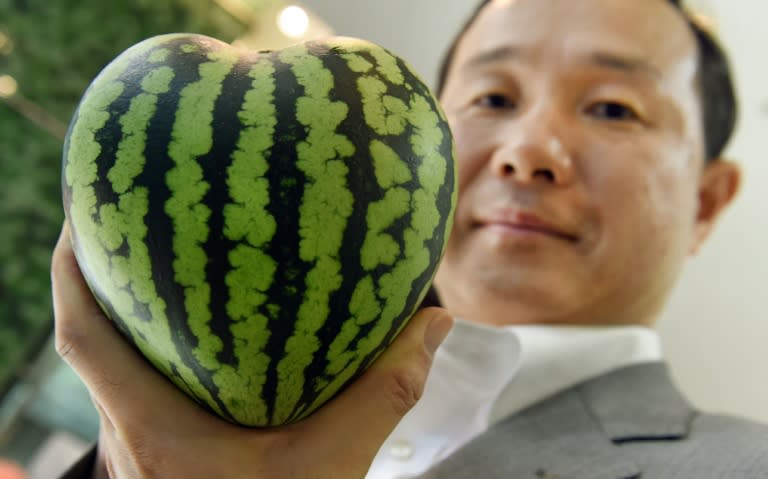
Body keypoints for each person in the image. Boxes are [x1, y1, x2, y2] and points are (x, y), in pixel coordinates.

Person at [52, 0, 768, 477]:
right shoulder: (169, 400)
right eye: (492, 98)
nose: (529, 150)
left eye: (613, 107)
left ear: (708, 199)